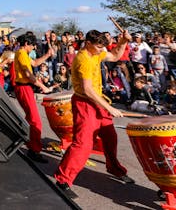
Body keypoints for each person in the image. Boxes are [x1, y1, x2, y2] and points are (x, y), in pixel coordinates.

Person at [54, 29, 134, 199]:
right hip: (85, 103)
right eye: (99, 47)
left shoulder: (95, 52)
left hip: (98, 102)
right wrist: (110, 108)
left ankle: (114, 167)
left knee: (110, 137)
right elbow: (87, 90)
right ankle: (63, 179)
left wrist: (123, 42)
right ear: (88, 43)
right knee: (83, 144)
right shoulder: (83, 59)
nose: (101, 50)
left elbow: (114, 56)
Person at [12, 32, 52, 163]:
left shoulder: (23, 53)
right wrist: (43, 86)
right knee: (35, 121)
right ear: (26, 44)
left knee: (31, 118)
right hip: (23, 87)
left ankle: (29, 143)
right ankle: (34, 150)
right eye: (32, 45)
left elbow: (34, 63)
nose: (33, 48)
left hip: (25, 88)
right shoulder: (21, 54)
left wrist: (47, 55)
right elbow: (29, 75)